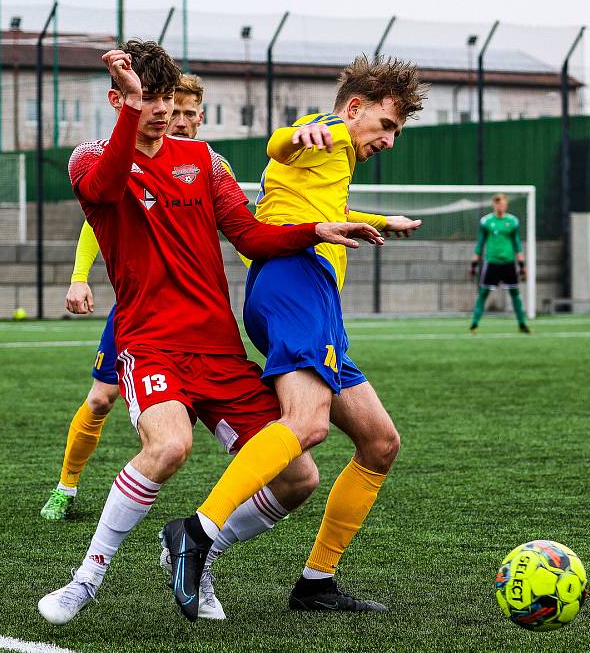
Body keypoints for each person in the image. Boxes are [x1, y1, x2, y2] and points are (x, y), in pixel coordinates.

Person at [37, 40, 382, 626]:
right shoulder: (89, 156)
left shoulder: (206, 162)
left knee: (299, 475)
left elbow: (250, 236)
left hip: (218, 349)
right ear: (118, 98)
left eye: (168, 99)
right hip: (150, 345)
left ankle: (198, 555)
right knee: (169, 446)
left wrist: (316, 228)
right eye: (149, 100)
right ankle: (85, 579)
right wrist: (131, 115)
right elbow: (102, 191)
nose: (164, 112)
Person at [161, 54, 425, 617]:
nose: (390, 140)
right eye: (387, 125)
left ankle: (316, 582)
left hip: (312, 297)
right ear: (355, 109)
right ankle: (197, 531)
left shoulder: (335, 160)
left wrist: (380, 222)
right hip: (294, 281)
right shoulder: (325, 134)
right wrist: (294, 134)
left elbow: (320, 199)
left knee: (380, 443)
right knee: (304, 424)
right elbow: (282, 144)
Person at [39, 73, 232, 522]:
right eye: (169, 106)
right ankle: (66, 488)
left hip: (192, 313)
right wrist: (79, 277)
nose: (177, 118)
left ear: (200, 117)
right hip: (139, 312)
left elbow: (235, 228)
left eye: (186, 111)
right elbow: (97, 218)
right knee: (101, 397)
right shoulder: (121, 156)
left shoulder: (208, 163)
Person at [469, 193, 530, 333]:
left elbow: (517, 244)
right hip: (492, 263)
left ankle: (522, 323)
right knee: (483, 293)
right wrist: (473, 264)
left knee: (515, 293)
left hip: (509, 262)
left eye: (502, 203)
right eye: (497, 203)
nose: (499, 205)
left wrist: (522, 266)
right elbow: (480, 243)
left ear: (506, 204)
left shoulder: (513, 221)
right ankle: (474, 323)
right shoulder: (486, 222)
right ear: (493, 205)